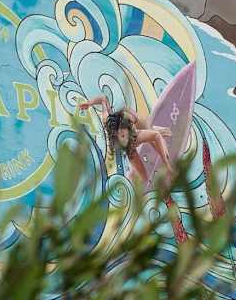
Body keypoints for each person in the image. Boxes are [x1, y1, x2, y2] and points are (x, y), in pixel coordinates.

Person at [77, 95, 188, 243]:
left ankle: (155, 131)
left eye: (123, 135)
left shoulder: (134, 132)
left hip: (135, 127)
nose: (122, 138)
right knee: (143, 177)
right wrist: (89, 103)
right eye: (119, 136)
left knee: (152, 134)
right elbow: (103, 99)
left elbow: (155, 137)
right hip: (130, 146)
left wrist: (168, 165)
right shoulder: (107, 122)